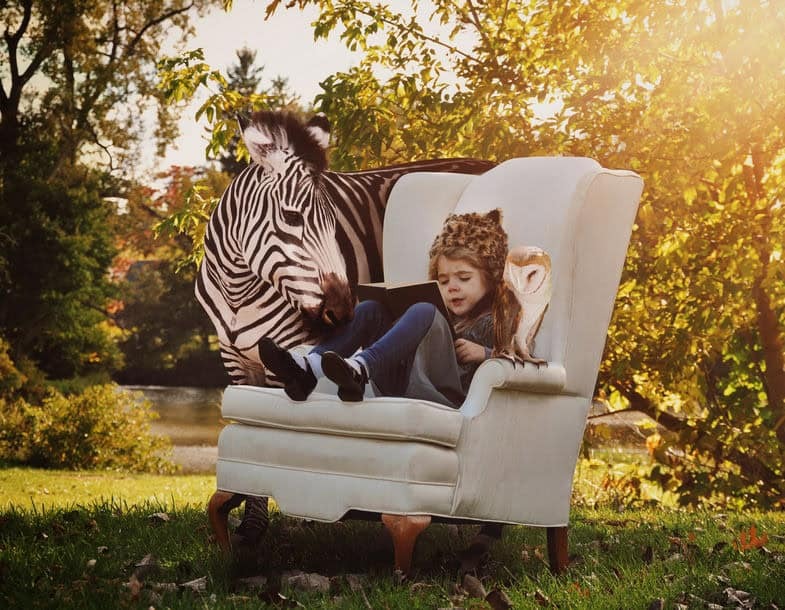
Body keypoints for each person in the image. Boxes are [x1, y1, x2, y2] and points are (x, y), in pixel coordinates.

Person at [258, 208, 509, 408]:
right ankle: (308, 368)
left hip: (447, 396)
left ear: (490, 277)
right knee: (371, 308)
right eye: (443, 281)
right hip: (405, 381)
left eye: (463, 278)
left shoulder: (496, 320)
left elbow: (525, 360)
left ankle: (361, 368)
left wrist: (486, 354)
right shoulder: (446, 316)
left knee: (424, 310)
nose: (452, 287)